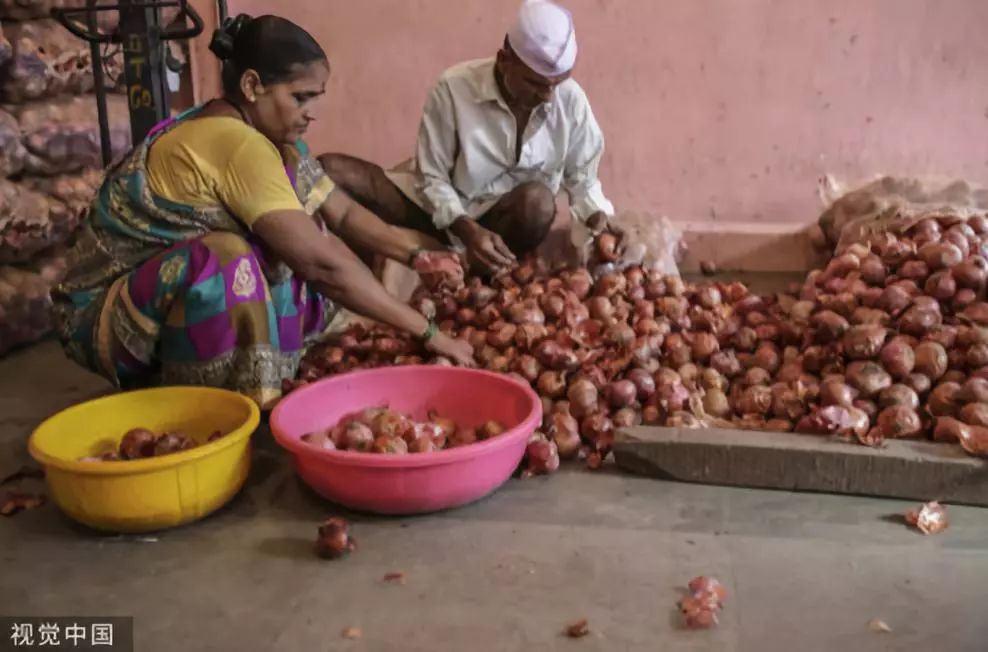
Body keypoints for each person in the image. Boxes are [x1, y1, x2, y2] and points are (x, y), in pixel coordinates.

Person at [51, 14, 475, 410]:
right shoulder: (235, 144)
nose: (312, 113)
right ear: (253, 86)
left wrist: (417, 257)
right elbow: (323, 265)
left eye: (316, 98)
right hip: (105, 321)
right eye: (300, 97)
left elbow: (343, 214)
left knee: (299, 232)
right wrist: (428, 332)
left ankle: (263, 370)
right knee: (228, 259)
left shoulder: (273, 142)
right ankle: (217, 407)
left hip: (161, 304)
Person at [321, 0, 625, 275]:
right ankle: (356, 282)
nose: (548, 96)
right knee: (329, 170)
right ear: (505, 60)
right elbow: (432, 179)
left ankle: (493, 272)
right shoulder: (454, 88)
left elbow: (583, 179)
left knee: (539, 202)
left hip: (504, 221)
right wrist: (466, 230)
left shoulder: (569, 100)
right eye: (536, 83)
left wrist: (598, 219)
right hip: (436, 210)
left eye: (557, 84)